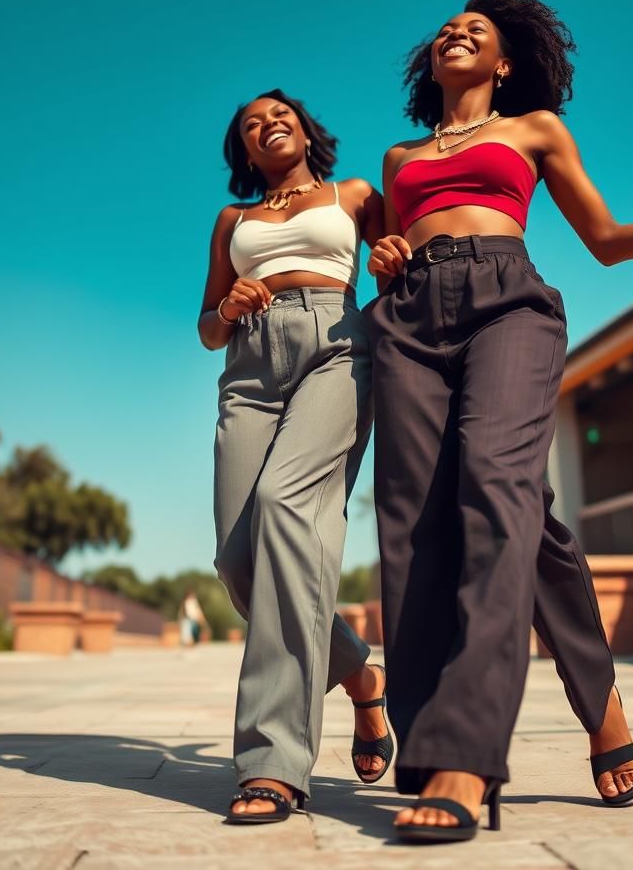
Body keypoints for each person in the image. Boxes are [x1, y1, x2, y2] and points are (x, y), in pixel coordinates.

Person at [365, 0, 633, 843]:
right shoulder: (401, 159)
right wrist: (388, 252)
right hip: (407, 320)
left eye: (473, 31)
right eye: (444, 29)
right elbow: (393, 247)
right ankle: (594, 697)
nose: (453, 34)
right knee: (416, 521)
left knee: (494, 485)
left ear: (505, 62)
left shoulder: (534, 129)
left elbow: (609, 241)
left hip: (506, 303)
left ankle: (465, 756)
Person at [199, 89, 393, 825]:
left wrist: (394, 253)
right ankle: (358, 676)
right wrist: (226, 310)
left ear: (307, 131)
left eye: (278, 115)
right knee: (236, 560)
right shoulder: (233, 221)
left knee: (287, 507)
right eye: (250, 124)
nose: (267, 124)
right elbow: (207, 330)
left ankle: (273, 763)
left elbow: (398, 255)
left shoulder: (355, 195)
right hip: (248, 372)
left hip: (336, 349)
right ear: (245, 153)